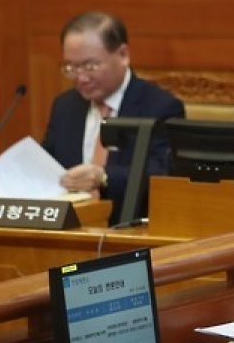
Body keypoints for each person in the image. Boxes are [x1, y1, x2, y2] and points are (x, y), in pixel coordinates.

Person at [42, 11, 185, 225]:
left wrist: (104, 176)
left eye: (91, 66)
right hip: (69, 229)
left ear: (123, 55)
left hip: (129, 231)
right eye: (71, 67)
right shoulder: (65, 106)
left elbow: (162, 176)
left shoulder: (160, 107)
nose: (81, 78)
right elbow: (47, 164)